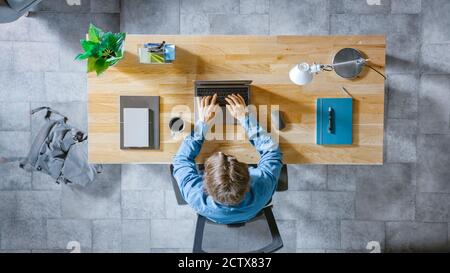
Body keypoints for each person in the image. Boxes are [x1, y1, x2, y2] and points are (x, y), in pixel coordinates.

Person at [172, 93, 283, 224]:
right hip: (250, 211)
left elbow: (180, 159)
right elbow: (272, 150)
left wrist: (202, 123)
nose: (223, 153)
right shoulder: (263, 186)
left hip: (223, 215)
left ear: (205, 183)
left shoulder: (194, 195)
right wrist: (245, 118)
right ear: (249, 177)